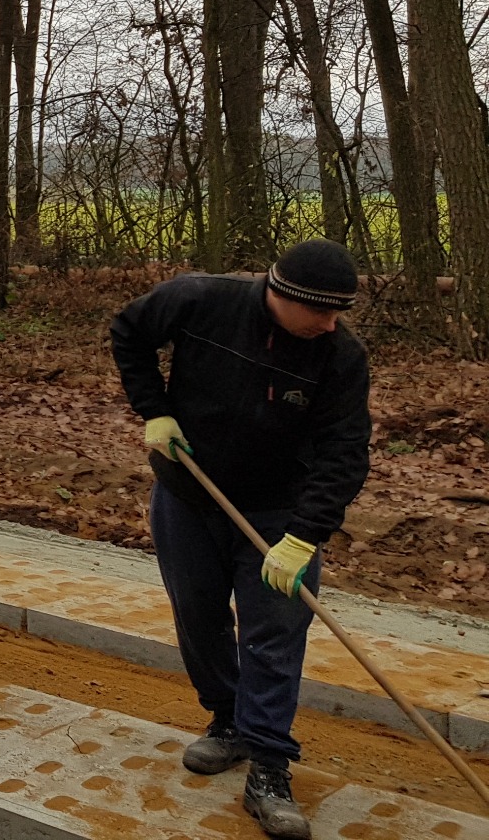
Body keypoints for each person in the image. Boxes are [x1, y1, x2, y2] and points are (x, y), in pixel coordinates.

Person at [110, 240, 370, 840]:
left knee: (273, 636)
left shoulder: (339, 356)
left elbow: (345, 452)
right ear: (284, 297)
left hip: (279, 513)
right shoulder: (200, 299)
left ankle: (270, 766)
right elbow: (129, 330)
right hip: (188, 496)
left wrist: (304, 537)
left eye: (340, 313)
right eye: (323, 312)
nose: (332, 324)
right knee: (198, 615)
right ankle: (227, 721)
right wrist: (154, 410)